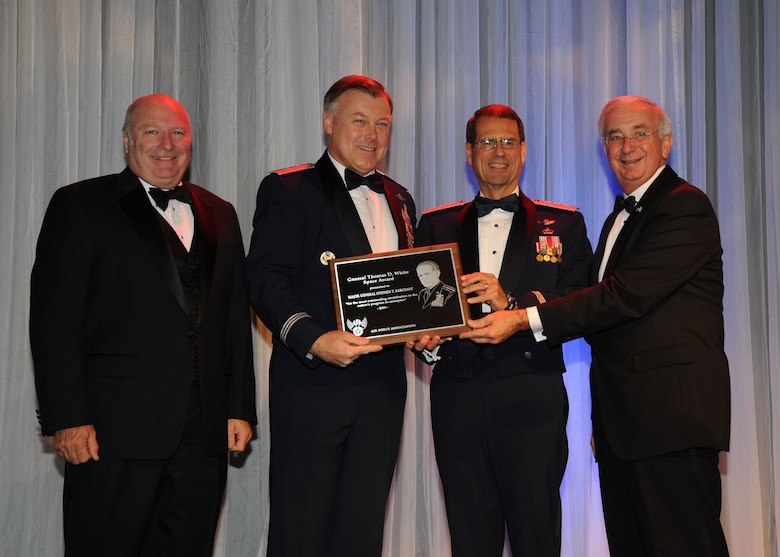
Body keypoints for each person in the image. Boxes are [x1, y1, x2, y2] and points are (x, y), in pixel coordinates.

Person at [29, 93, 257, 557]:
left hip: (202, 434)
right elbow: (54, 322)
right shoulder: (80, 205)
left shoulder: (222, 213)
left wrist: (239, 407)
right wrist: (67, 418)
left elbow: (234, 318)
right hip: (111, 434)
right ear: (127, 140)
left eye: (178, 133)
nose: (166, 145)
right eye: (152, 132)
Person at [512, 96, 730, 555]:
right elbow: (598, 315)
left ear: (665, 143)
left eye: (639, 133)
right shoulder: (618, 217)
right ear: (603, 147)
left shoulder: (683, 207)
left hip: (671, 423)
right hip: (623, 427)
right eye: (614, 136)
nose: (626, 146)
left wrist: (522, 318)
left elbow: (622, 298)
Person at [410, 104, 592, 556]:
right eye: (488, 142)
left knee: (536, 534)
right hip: (456, 397)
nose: (499, 151)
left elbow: (580, 304)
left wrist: (511, 304)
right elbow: (417, 311)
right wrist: (425, 344)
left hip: (533, 397)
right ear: (470, 152)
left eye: (508, 142)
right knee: (469, 536)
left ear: (524, 151)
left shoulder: (564, 221)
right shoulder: (434, 223)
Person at [246, 75, 416, 557]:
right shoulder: (290, 188)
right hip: (313, 386)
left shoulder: (400, 199)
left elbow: (406, 293)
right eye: (359, 121)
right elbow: (263, 278)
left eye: (382, 124)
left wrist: (426, 333)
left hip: (383, 389)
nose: (372, 135)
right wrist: (314, 339)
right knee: (301, 528)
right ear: (329, 123)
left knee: (362, 530)